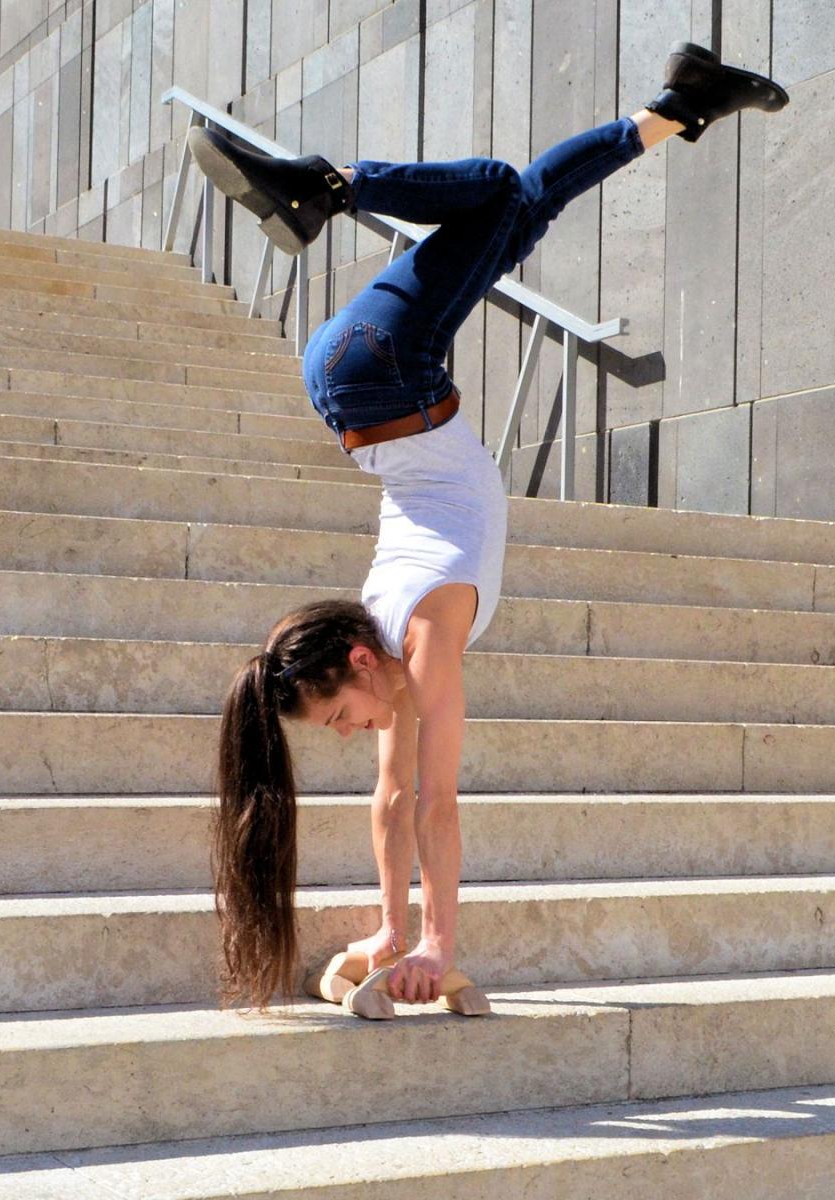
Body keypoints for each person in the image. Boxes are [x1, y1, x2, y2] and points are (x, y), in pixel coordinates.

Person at [205, 43, 789, 1012]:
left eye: (342, 717)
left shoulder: (425, 633)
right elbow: (393, 804)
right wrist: (392, 928)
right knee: (520, 209)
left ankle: (324, 186)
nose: (355, 734)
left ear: (357, 663)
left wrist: (438, 938)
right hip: (354, 377)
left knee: (493, 190)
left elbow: (436, 803)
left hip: (386, 375)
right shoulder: (385, 647)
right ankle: (679, 106)